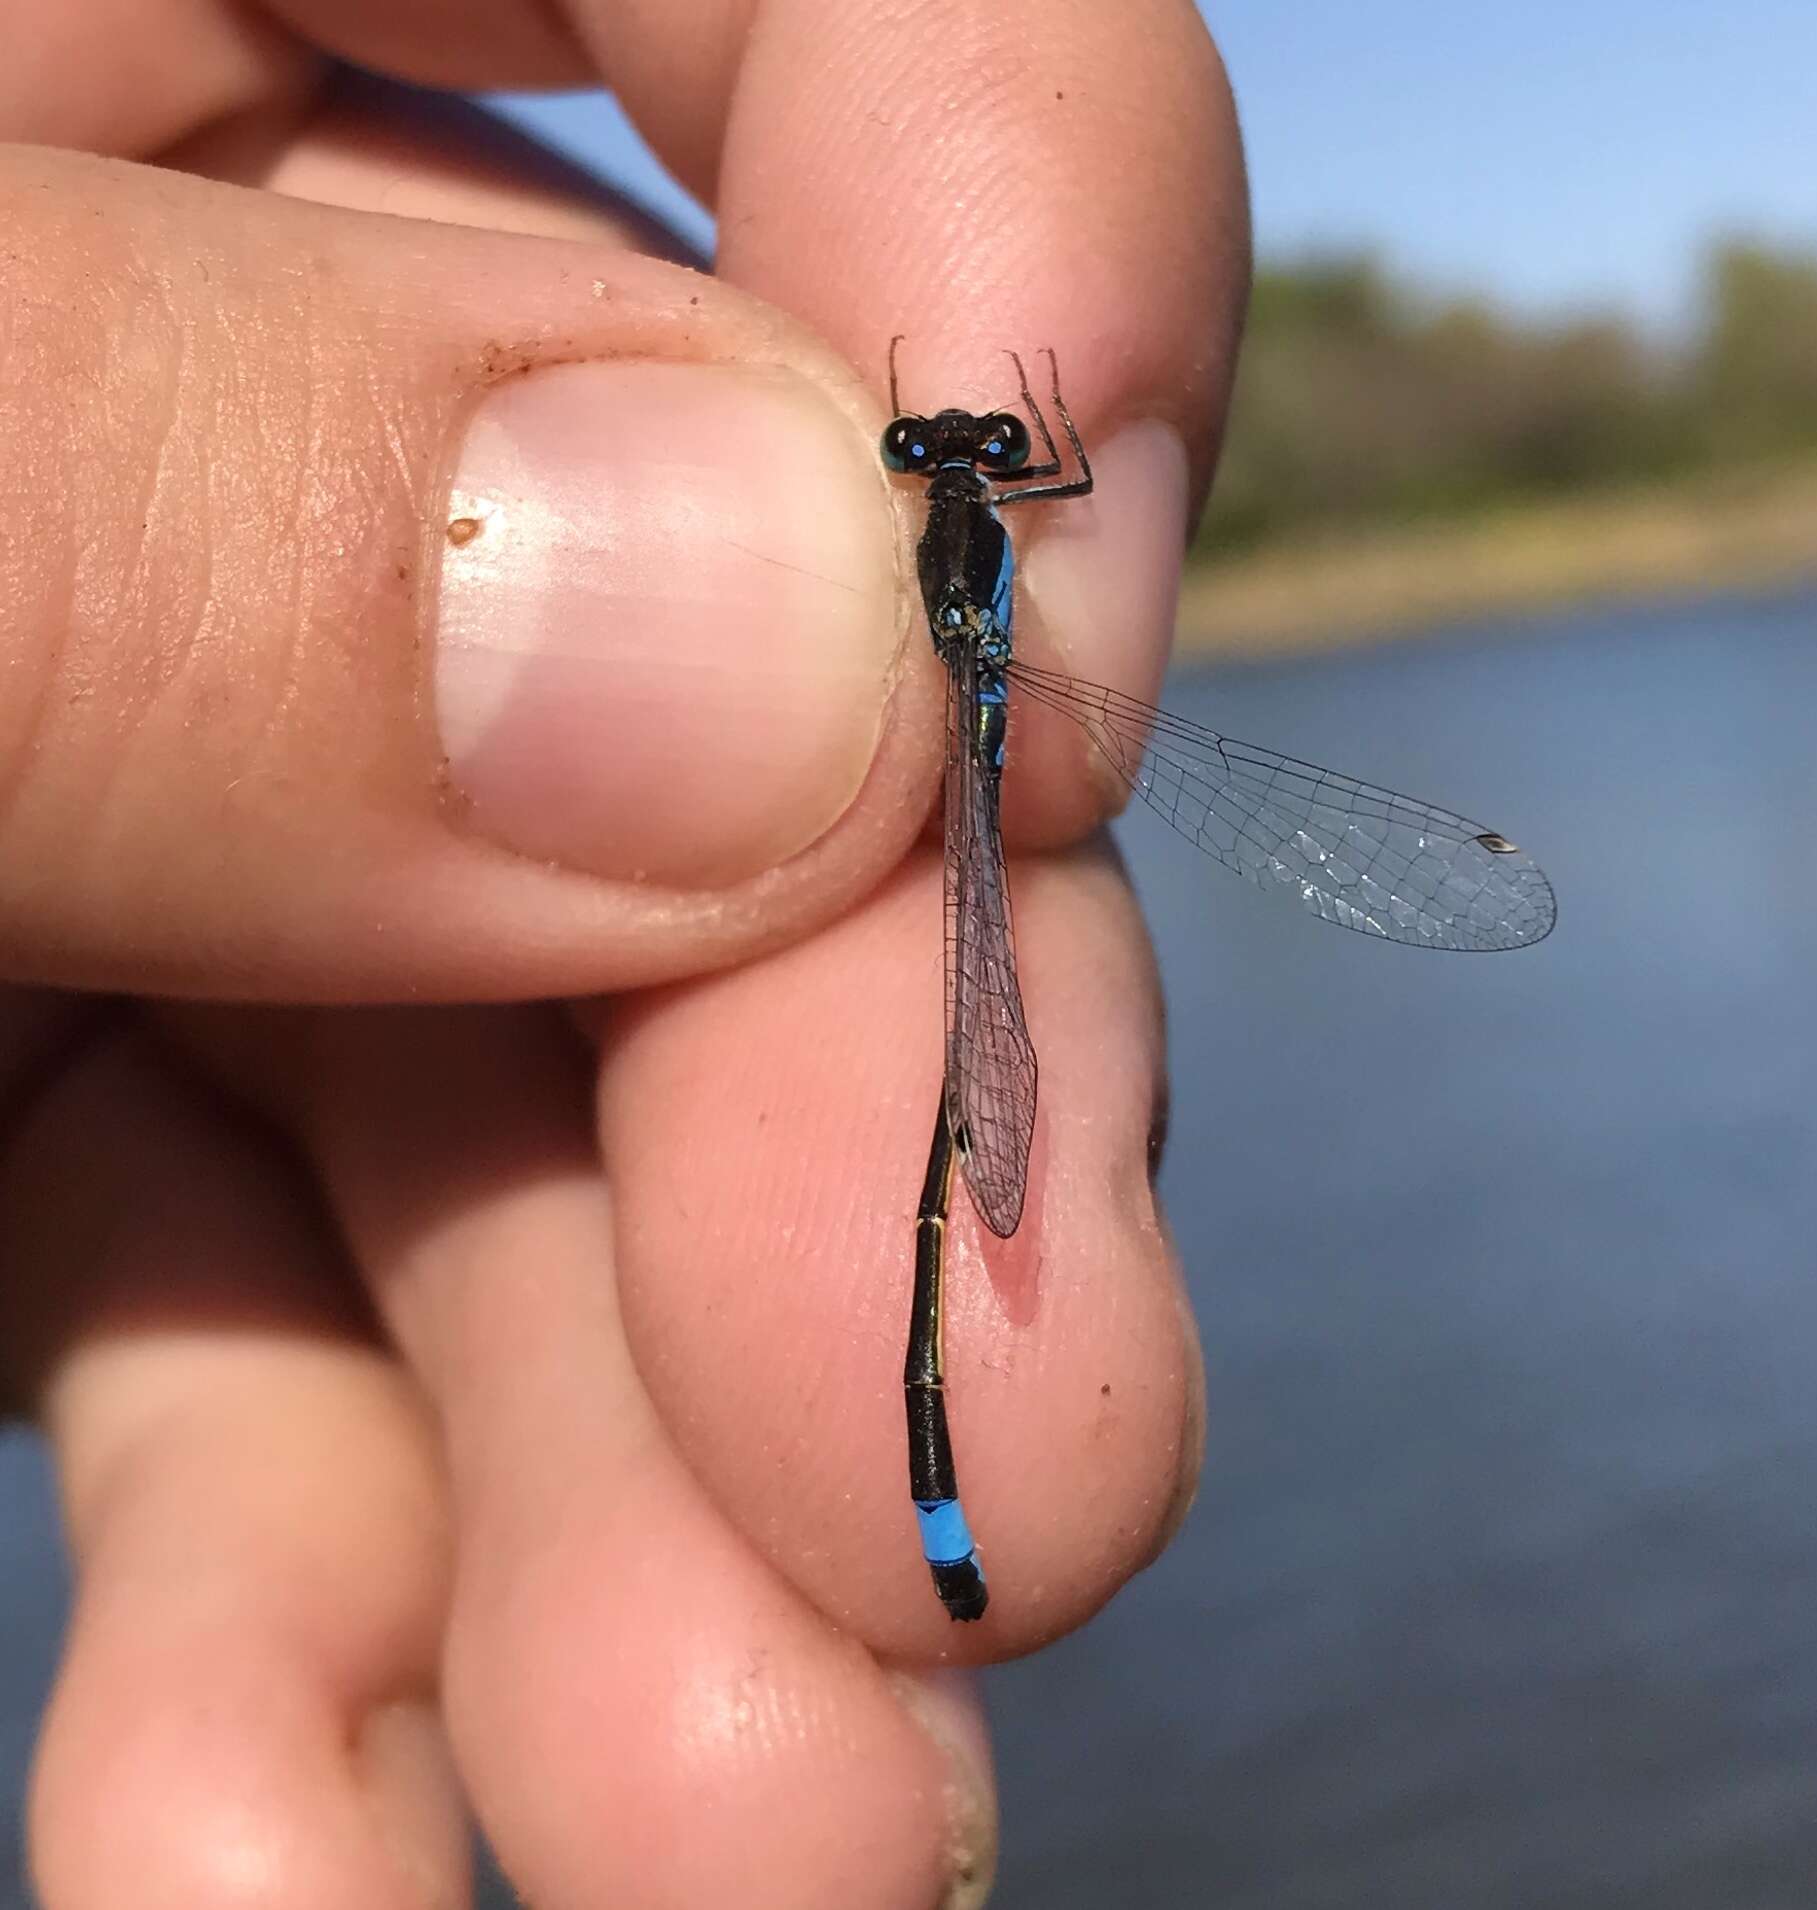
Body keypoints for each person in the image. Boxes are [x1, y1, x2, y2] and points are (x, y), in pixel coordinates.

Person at [0, 3, 1248, 1901]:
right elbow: (1048, 474)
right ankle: (933, 1475)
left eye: (968, 448)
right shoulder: (981, 526)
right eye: (952, 448)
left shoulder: (951, 542)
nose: (963, 453)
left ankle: (940, 1462)